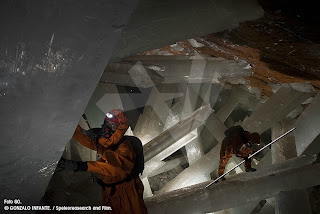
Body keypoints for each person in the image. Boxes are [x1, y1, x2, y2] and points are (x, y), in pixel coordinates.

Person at [57, 109, 148, 214]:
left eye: (112, 125)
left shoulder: (125, 147)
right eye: (107, 123)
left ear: (119, 128)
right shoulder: (106, 143)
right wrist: (70, 124)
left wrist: (80, 166)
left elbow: (111, 167)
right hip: (110, 192)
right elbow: (86, 140)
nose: (107, 128)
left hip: (127, 193)